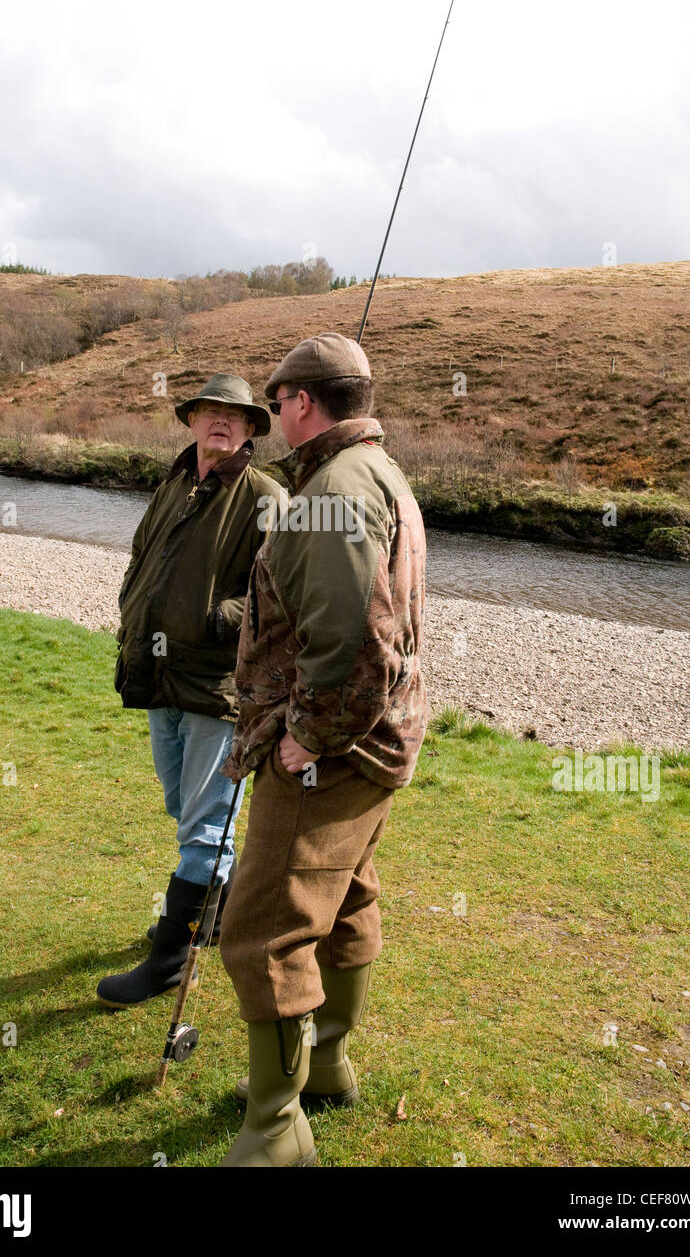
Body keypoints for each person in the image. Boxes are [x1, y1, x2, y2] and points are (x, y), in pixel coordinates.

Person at [216, 332, 427, 1166]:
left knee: (263, 928)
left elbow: (352, 645)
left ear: (302, 402)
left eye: (274, 404)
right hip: (379, 743)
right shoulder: (381, 474)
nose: (273, 417)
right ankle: (327, 1065)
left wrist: (308, 736)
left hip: (333, 750)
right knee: (346, 900)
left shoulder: (334, 490)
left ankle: (274, 1130)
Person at [97, 373, 285, 1008]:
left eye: (237, 416)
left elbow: (278, 595)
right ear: (192, 420)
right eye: (211, 412)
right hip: (160, 675)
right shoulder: (176, 483)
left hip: (217, 684)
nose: (222, 423)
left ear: (253, 430)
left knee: (203, 825)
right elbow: (140, 557)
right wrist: (133, 610)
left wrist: (211, 621)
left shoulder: (266, 496)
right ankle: (214, 912)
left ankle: (170, 959)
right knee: (185, 806)